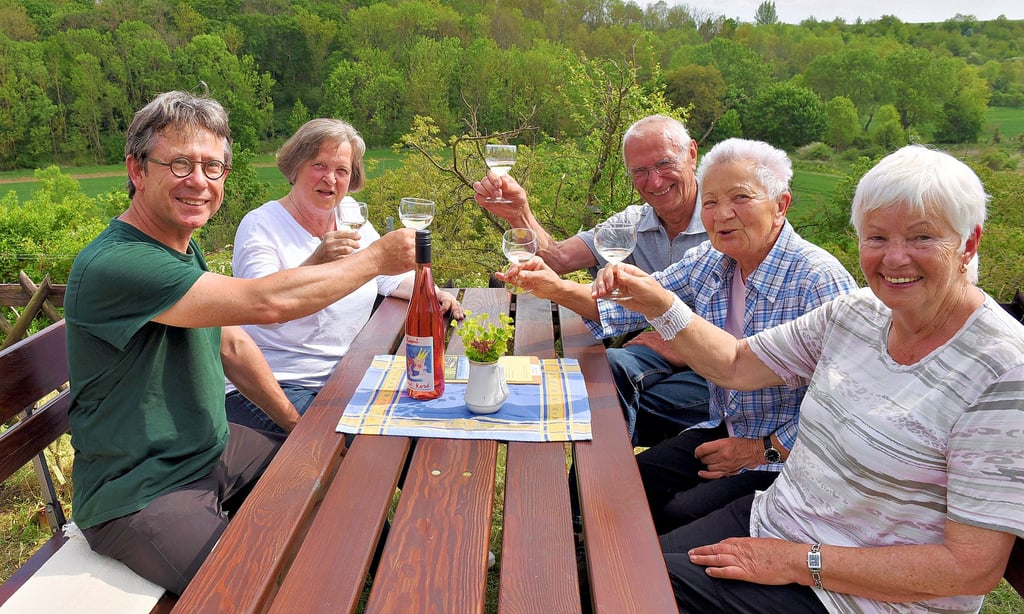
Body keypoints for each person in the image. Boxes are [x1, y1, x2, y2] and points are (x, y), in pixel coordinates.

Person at [580, 145, 1024, 613]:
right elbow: (735, 363)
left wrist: (800, 561)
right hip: (778, 520)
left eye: (921, 239)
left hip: (863, 596)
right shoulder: (856, 314)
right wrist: (659, 305)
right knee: (612, 568)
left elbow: (970, 567)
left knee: (628, 592)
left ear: (968, 244)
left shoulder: (1003, 371)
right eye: (876, 238)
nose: (895, 259)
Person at [64, 91, 418, 596]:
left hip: (211, 451)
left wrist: (298, 428)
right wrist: (373, 258)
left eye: (214, 167)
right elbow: (265, 304)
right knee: (252, 590)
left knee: (330, 468)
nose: (199, 182)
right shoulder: (119, 263)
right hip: (141, 491)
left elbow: (232, 344)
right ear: (137, 171)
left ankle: (386, 576)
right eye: (180, 163)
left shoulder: (180, 247)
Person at [500, 139, 857, 527]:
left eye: (740, 198)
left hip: (790, 458)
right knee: (623, 485)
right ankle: (574, 547)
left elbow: (846, 410)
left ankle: (637, 574)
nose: (723, 214)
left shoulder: (818, 281)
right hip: (728, 425)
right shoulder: (712, 260)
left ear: (781, 205)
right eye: (711, 203)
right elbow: (632, 302)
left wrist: (763, 450)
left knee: (675, 514)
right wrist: (554, 288)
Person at [475, 114, 713, 438]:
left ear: (692, 154)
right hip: (653, 355)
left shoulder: (725, 223)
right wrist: (520, 212)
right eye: (640, 171)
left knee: (595, 398)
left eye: (664, 164)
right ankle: (588, 484)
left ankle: (589, 483)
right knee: (605, 371)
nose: (654, 181)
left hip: (721, 366)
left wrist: (680, 338)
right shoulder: (632, 224)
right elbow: (558, 259)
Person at [225, 118, 462, 434]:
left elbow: (385, 277)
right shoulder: (261, 225)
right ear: (295, 167)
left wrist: (432, 293)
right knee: (373, 447)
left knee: (430, 422)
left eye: (342, 170)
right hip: (278, 386)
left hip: (346, 378)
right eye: (319, 165)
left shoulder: (350, 215)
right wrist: (318, 259)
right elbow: (265, 309)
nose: (330, 179)